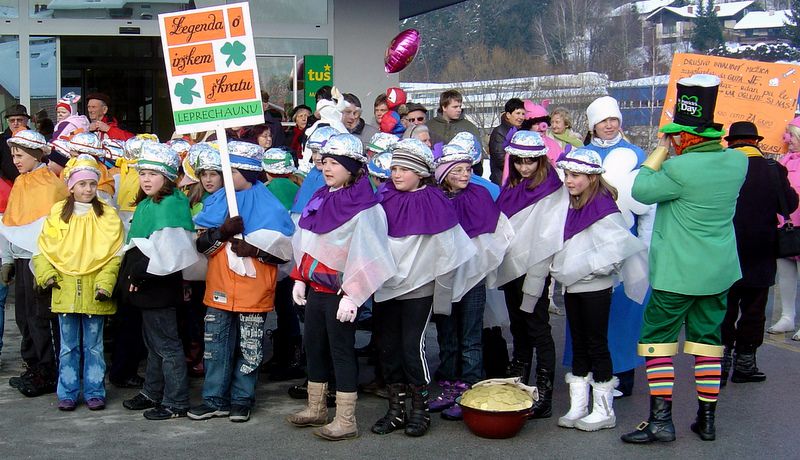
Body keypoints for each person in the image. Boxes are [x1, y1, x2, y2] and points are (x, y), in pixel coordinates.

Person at [622, 74, 748, 444]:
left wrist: (658, 153)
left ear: (684, 138)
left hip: (676, 275)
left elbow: (641, 190)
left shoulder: (678, 170)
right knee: (708, 343)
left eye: (675, 135)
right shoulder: (737, 163)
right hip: (718, 273)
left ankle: (661, 421)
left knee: (658, 342)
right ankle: (706, 421)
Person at [287, 133, 396, 440]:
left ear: (351, 167)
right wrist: (299, 276)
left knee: (341, 353)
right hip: (316, 290)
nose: (327, 168)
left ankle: (346, 420)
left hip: (339, 294)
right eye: (325, 162)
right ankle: (317, 408)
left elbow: (369, 252)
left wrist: (354, 294)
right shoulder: (322, 195)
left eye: (335, 163)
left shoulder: (365, 204)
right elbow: (308, 239)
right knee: (315, 349)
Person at [371, 138, 475, 437]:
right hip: (387, 285)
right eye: (393, 168)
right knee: (387, 347)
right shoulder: (383, 197)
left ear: (420, 172)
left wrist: (442, 299)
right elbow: (370, 242)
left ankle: (420, 409)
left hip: (419, 287)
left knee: (411, 347)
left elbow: (448, 253)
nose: (397, 174)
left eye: (404, 169)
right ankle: (396, 410)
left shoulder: (434, 200)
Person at [189, 140, 294, 423]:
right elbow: (201, 247)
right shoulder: (218, 201)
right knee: (215, 347)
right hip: (220, 287)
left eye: (231, 171)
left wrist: (255, 250)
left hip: (254, 291)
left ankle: (242, 399)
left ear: (247, 173)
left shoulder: (271, 206)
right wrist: (221, 233)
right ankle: (214, 400)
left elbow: (285, 254)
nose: (226, 177)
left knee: (250, 349)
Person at [552, 148, 647, 432]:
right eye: (567, 175)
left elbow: (616, 250)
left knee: (596, 343)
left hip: (595, 286)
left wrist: (588, 268)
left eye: (576, 176)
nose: (569, 181)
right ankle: (579, 405)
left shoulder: (604, 207)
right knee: (579, 343)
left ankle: (604, 410)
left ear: (592, 178)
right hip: (573, 286)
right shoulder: (571, 205)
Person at [573, 95, 656, 397]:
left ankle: (623, 372)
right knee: (588, 311)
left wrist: (645, 245)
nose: (609, 125)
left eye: (613, 119)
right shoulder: (580, 154)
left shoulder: (635, 154)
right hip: (587, 244)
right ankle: (587, 370)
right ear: (593, 123)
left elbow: (648, 202)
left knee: (623, 309)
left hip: (626, 243)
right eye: (603, 120)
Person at [428, 142, 514, 421]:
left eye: (468, 169)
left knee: (471, 335)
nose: (466, 175)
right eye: (459, 170)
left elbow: (494, 234)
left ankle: (471, 387)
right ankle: (450, 382)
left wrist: (480, 267)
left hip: (472, 276)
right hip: (443, 277)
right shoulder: (434, 197)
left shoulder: (478, 195)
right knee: (447, 333)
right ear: (444, 172)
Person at [487, 130, 568, 419]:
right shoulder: (514, 184)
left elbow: (549, 232)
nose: (524, 166)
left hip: (534, 266)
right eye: (519, 160)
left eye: (530, 161)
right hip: (512, 265)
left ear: (540, 160)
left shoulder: (552, 187)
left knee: (537, 324)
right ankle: (519, 377)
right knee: (518, 324)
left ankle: (544, 390)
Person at [34, 154, 123, 411]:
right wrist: (47, 276)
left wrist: (105, 284)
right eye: (82, 184)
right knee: (67, 347)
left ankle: (95, 390)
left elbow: (114, 256)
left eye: (92, 184)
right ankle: (68, 391)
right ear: (71, 186)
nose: (87, 189)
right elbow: (43, 250)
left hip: (96, 293)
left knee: (94, 347)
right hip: (65, 291)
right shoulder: (57, 213)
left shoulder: (107, 214)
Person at [119, 142, 199, 420]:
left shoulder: (169, 206)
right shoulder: (150, 204)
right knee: (153, 344)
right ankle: (152, 392)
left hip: (158, 288)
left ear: (167, 177)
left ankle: (176, 401)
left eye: (153, 174)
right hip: (147, 287)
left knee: (167, 345)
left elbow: (170, 254)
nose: (146, 179)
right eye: (143, 174)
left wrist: (139, 276)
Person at [720, 121, 797, 385]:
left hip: (725, 246)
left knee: (725, 306)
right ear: (756, 142)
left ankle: (720, 361)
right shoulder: (773, 169)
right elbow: (789, 203)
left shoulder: (721, 167)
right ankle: (745, 363)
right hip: (761, 249)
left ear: (731, 142)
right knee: (754, 309)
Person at [1, 130, 68, 396]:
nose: (15, 160)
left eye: (20, 155)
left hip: (40, 261)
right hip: (21, 257)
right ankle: (34, 365)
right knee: (24, 316)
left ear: (34, 154)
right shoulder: (22, 181)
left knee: (42, 316)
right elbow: (12, 221)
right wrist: (8, 258)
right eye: (13, 155)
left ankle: (49, 370)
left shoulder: (49, 184)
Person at [770, 116, 800, 340]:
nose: (788, 139)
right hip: (784, 225)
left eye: (793, 135)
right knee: (786, 275)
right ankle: (787, 316)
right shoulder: (783, 160)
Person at [488, 98, 525, 185]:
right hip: (503, 181)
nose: (521, 117)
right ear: (508, 115)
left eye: (523, 114)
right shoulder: (499, 132)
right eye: (518, 113)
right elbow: (501, 159)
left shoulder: (522, 131)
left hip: (518, 179)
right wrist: (522, 166)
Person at [1, 104, 31, 182]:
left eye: (19, 120)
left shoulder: (36, 139)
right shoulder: (1, 140)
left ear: (26, 120)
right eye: (12, 120)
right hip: (8, 186)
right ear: (8, 121)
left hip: (33, 184)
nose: (15, 123)